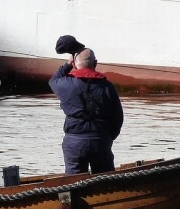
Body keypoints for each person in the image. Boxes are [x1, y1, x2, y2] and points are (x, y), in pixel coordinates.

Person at [48, 35, 124, 174]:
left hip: (74, 142)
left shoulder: (65, 85)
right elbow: (118, 117)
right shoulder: (108, 87)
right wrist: (108, 137)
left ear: (74, 64)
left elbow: (53, 80)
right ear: (95, 63)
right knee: (105, 182)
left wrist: (67, 64)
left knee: (74, 184)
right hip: (101, 140)